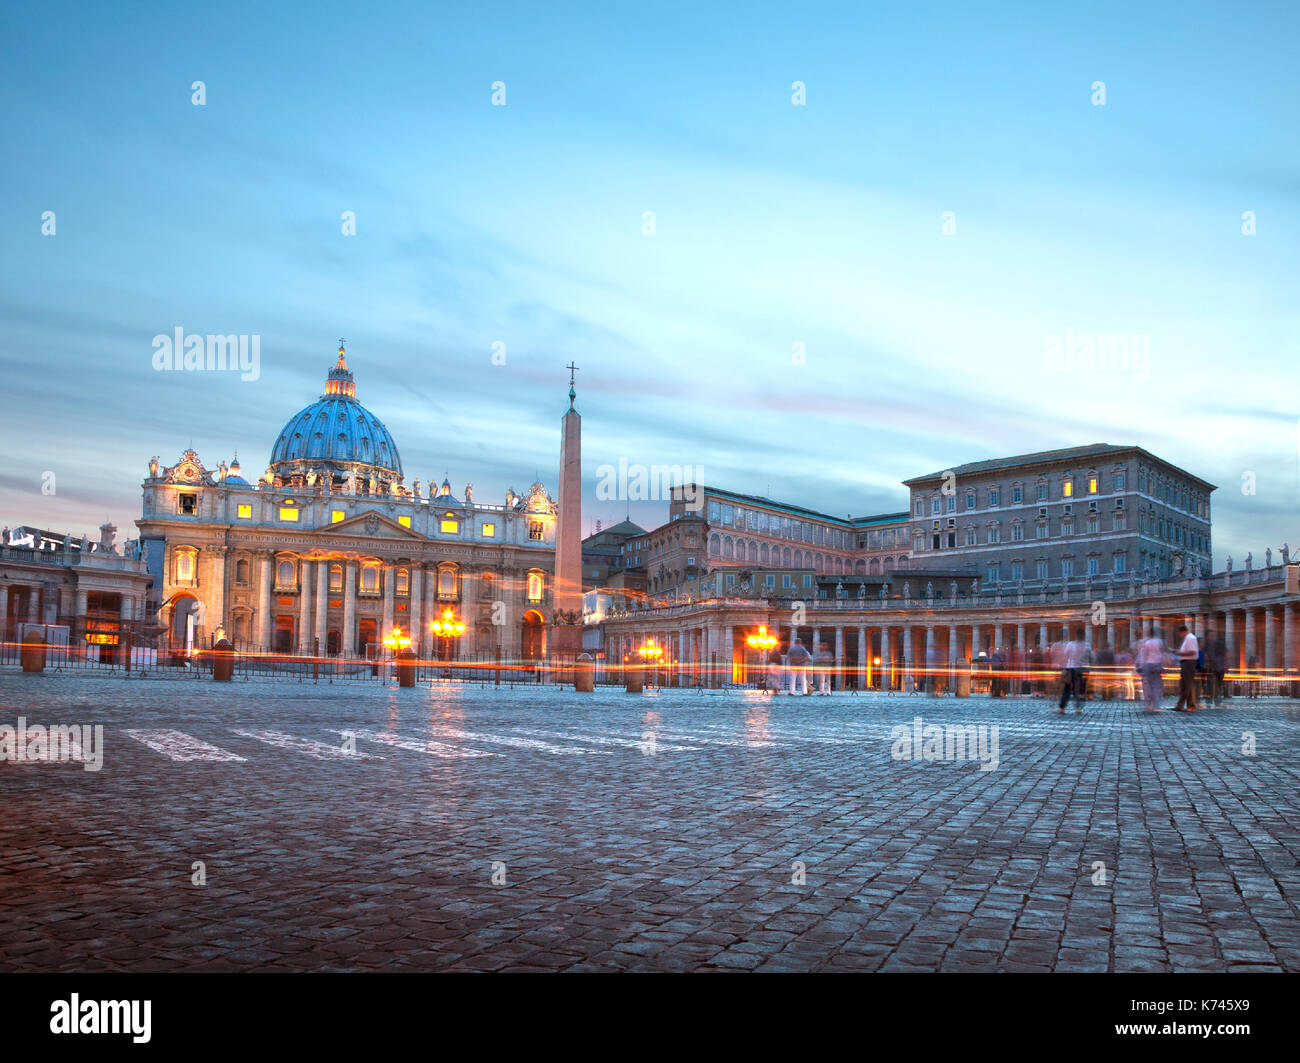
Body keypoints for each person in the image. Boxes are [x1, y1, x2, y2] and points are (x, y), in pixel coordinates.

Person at [1058, 627, 1090, 714]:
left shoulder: (1071, 644)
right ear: (1084, 636)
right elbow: (1091, 657)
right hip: (1084, 669)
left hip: (1072, 668)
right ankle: (1078, 708)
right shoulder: (1087, 645)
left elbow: (1065, 656)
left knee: (1068, 688)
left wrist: (1063, 666)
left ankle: (1062, 708)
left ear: (1076, 635)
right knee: (1080, 690)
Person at [1135, 627, 1165, 712]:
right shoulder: (1160, 642)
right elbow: (1162, 654)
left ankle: (1148, 705)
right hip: (1157, 664)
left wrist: (1141, 666)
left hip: (1148, 665)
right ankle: (1156, 706)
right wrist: (1163, 665)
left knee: (1148, 686)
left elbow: (1144, 655)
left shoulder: (1147, 643)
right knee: (1157, 686)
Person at [1173, 624, 1199, 712]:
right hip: (1186, 663)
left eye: (1180, 633)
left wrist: (1179, 653)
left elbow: (1192, 652)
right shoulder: (1188, 638)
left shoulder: (1191, 638)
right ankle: (1181, 705)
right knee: (1184, 685)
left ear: (1182, 632)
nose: (1180, 635)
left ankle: (1191, 706)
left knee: (1188, 685)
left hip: (1189, 663)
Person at [1205, 629, 1227, 705]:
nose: (1213, 637)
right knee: (1209, 684)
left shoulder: (1220, 643)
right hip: (1210, 668)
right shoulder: (1206, 644)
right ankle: (1209, 701)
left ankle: (1218, 701)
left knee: (1219, 685)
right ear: (1207, 636)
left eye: (1214, 635)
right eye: (1211, 635)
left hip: (1219, 667)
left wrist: (1225, 664)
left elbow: (1225, 654)